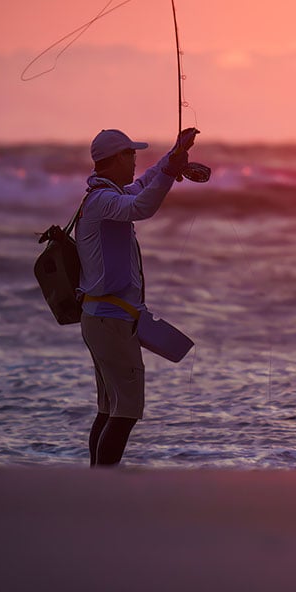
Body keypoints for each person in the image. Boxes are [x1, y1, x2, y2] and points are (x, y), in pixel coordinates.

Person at [76, 126, 198, 467]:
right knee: (126, 411)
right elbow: (143, 206)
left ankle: (97, 479)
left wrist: (171, 158)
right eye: (130, 154)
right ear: (115, 159)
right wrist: (172, 170)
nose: (134, 160)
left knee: (109, 408)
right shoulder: (102, 201)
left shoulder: (104, 196)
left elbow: (142, 186)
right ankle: (104, 485)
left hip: (103, 318)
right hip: (110, 322)